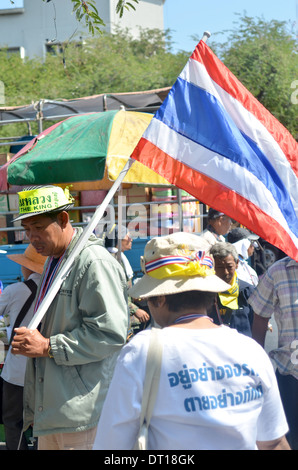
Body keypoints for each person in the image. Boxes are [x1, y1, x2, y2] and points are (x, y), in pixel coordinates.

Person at [92, 232, 290, 450]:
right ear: (209, 292)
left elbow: (110, 447)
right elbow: (274, 443)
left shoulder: (141, 352)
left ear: (159, 298)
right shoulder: (251, 351)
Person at [10, 185, 129, 450]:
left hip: (82, 414)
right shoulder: (56, 259)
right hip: (56, 410)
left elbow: (110, 334)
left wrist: (47, 346)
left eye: (38, 227)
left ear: (63, 219)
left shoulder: (93, 261)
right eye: (27, 229)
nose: (31, 237)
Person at [248, 256, 298, 450]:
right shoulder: (278, 271)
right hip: (290, 376)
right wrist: (256, 368)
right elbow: (260, 317)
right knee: (290, 440)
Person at [0, 244, 46, 450]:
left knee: (13, 423)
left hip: (17, 371)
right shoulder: (56, 293)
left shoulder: (15, 290)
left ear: (27, 268)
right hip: (46, 370)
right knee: (43, 426)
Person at [104, 225, 150, 337]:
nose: (131, 239)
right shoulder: (113, 261)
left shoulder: (120, 257)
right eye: (128, 236)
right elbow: (113, 293)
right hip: (121, 319)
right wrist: (135, 310)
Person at [208, 243, 254, 336]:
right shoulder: (206, 293)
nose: (225, 272)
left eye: (229, 267)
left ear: (237, 264)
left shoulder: (247, 291)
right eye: (220, 267)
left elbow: (255, 324)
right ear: (212, 266)